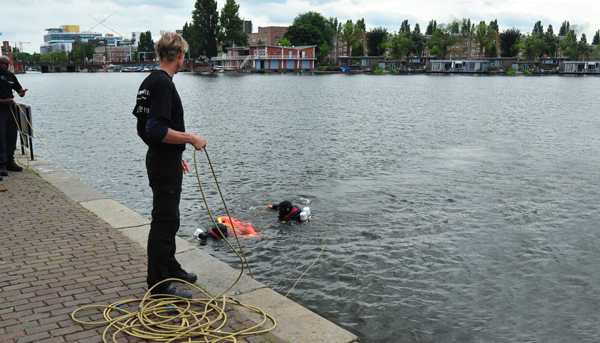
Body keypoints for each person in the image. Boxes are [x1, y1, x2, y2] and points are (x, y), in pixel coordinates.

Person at [133, 32, 206, 299]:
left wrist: (173, 151)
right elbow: (154, 127)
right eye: (183, 55)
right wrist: (189, 139)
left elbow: (142, 130)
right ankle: (159, 283)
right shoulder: (164, 84)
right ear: (179, 55)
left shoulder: (149, 81)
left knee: (170, 219)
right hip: (163, 163)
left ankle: (170, 267)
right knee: (164, 221)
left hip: (162, 159)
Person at [0, 55, 28, 180]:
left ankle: (10, 162)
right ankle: (1, 165)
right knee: (1, 137)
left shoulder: (11, 76)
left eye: (6, 64)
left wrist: (22, 93)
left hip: (11, 110)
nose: (4, 66)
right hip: (0, 110)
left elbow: (19, 90)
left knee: (12, 135)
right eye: (2, 63)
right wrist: (3, 101)